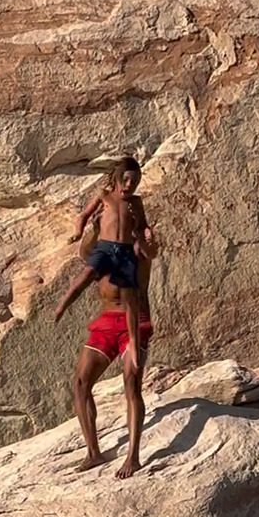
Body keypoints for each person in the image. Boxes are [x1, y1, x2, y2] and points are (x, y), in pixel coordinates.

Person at [65, 220, 157, 478]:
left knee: (131, 383)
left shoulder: (136, 249)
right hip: (106, 323)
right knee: (80, 382)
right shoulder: (104, 252)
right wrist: (94, 229)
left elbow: (150, 251)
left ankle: (133, 458)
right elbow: (85, 253)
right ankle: (93, 453)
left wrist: (145, 234)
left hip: (134, 323)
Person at [54, 156, 153, 369]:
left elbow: (144, 224)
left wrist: (147, 233)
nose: (130, 185)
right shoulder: (104, 196)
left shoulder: (135, 202)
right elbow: (84, 215)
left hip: (125, 250)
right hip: (106, 247)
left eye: (135, 182)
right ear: (117, 178)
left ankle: (134, 344)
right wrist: (78, 232)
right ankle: (61, 306)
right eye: (126, 180)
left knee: (130, 297)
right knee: (86, 274)